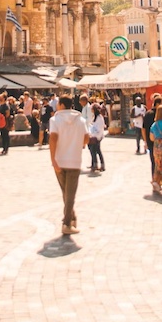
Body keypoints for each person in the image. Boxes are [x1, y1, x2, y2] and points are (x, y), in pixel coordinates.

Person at [49, 96, 89, 235]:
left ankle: (68, 221)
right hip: (74, 160)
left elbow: (53, 138)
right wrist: (79, 145)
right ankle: (69, 220)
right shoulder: (81, 120)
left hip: (59, 160)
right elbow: (86, 138)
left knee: (66, 193)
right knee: (70, 193)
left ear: (60, 105)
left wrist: (53, 159)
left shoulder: (55, 120)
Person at [142, 95, 162, 180]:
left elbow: (143, 129)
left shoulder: (147, 113)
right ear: (158, 104)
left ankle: (154, 179)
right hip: (160, 142)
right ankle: (159, 180)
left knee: (153, 161)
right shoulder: (160, 114)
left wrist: (145, 141)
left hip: (150, 141)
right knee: (160, 162)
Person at [88, 103, 106, 172]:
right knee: (95, 151)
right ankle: (96, 165)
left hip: (97, 137)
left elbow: (99, 129)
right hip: (94, 136)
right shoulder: (95, 117)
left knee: (97, 151)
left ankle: (101, 165)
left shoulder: (99, 118)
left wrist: (95, 135)